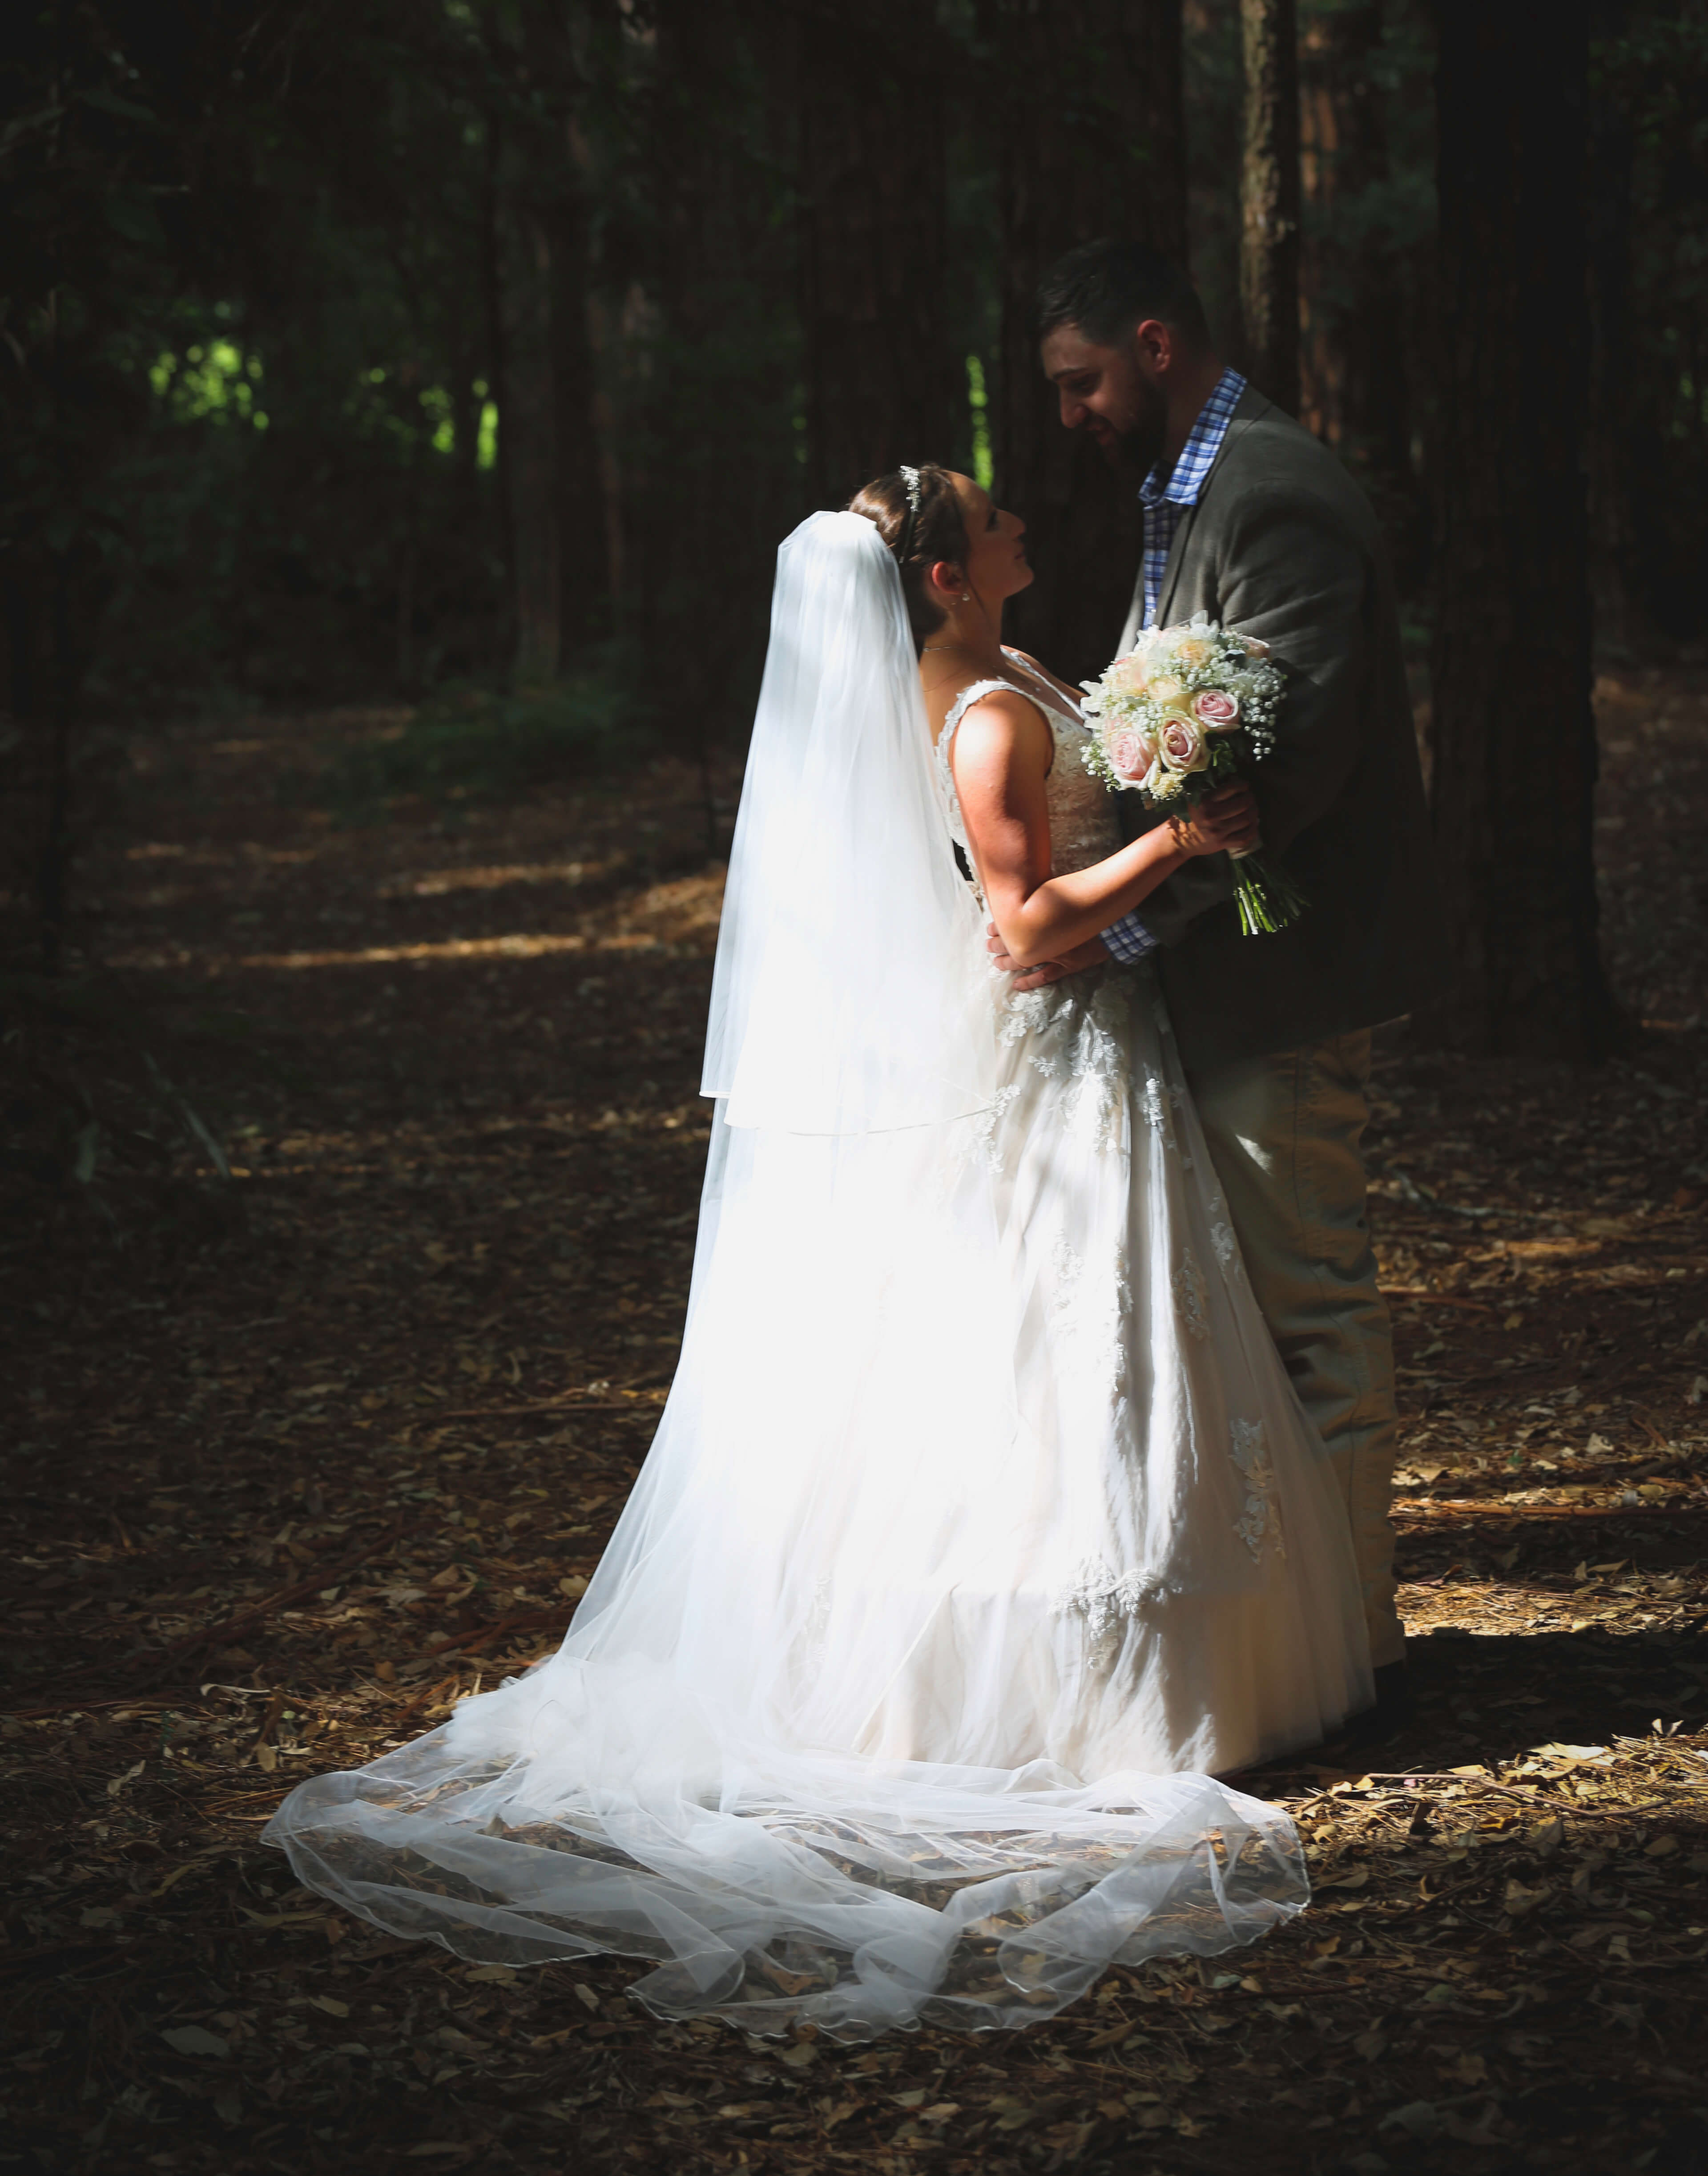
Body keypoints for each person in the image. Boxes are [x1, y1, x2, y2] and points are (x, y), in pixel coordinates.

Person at [263, 484, 1372, 2037]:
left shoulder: (1021, 669)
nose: (1011, 518)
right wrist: (1185, 836)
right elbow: (1023, 930)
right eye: (985, 518)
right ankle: (1056, 1698)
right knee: (1063, 1362)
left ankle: (1183, 1666)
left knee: (1123, 1355)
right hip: (1055, 1060)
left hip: (1117, 1055)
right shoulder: (984, 722)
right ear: (940, 575)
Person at [1007, 237, 1451, 1727]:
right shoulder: (1180, 495)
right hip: (1219, 969)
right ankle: (1308, 1643)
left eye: (1078, 384)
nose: (1067, 413)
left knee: (1313, 1303)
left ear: (1149, 344)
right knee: (1254, 1312)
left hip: (1282, 965)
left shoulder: (1273, 486)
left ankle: (1365, 1650)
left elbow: (1294, 757)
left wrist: (1119, 928)